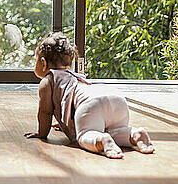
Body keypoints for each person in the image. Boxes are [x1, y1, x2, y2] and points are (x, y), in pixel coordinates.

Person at [24, 32, 154, 158]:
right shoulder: (75, 77)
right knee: (114, 131)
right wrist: (67, 120)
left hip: (91, 105)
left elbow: (45, 112)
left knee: (86, 135)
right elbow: (70, 102)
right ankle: (135, 134)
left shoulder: (48, 80)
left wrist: (42, 133)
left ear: (43, 62)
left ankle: (101, 140)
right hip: (116, 100)